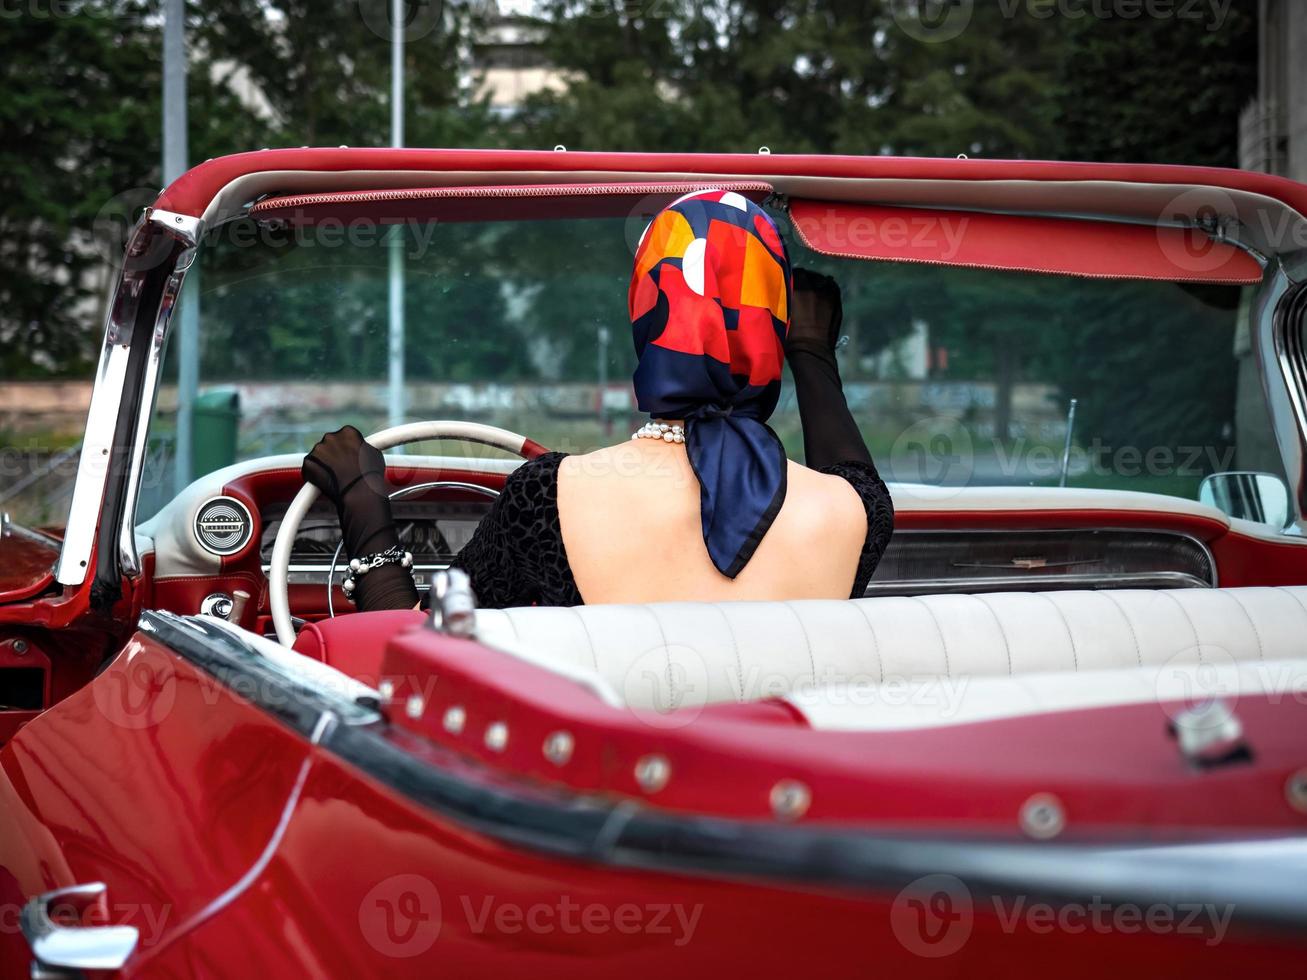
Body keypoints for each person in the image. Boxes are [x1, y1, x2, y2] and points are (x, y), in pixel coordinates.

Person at [302, 189, 893, 611]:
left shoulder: (547, 495)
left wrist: (362, 501)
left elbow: (415, 659)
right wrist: (812, 353)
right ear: (775, 329)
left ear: (648, 316)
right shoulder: (854, 515)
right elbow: (852, 469)